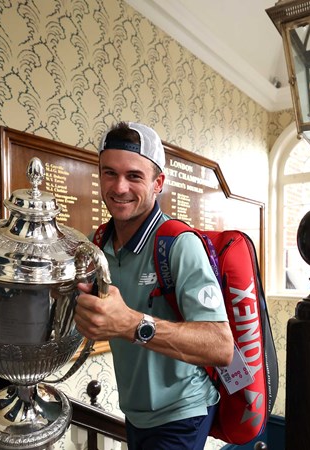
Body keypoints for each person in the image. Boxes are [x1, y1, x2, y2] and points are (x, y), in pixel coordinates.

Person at [75, 121, 234, 450]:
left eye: (134, 176)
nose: (119, 187)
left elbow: (220, 347)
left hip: (182, 411)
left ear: (157, 182)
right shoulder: (98, 243)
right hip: (135, 411)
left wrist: (131, 323)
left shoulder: (179, 244)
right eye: (109, 173)